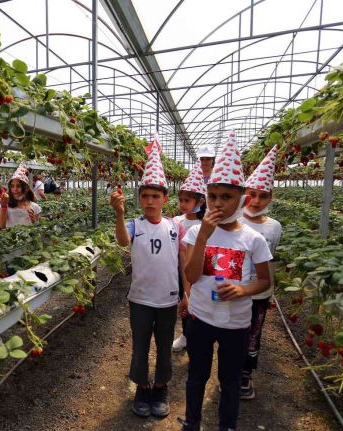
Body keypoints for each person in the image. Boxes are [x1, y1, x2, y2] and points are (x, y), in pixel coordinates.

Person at [179, 132, 272, 431]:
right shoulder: (196, 233)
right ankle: (192, 422)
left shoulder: (253, 239)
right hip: (202, 317)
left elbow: (265, 282)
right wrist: (204, 236)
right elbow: (192, 277)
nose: (218, 202)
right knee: (196, 375)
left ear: (241, 198)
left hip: (236, 323)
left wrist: (243, 289)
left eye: (227, 196)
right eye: (213, 196)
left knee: (230, 381)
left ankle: (227, 426)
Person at [110, 139, 185, 419]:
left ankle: (161, 386)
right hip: (140, 298)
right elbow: (121, 241)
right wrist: (119, 213)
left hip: (167, 299)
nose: (150, 201)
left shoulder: (175, 226)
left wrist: (185, 294)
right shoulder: (134, 224)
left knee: (164, 344)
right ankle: (142, 386)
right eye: (145, 196)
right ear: (139, 199)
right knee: (140, 344)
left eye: (156, 196)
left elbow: (181, 261)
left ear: (166, 199)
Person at [239, 146, 282, 400]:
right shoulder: (233, 222)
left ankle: (245, 373)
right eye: (251, 194)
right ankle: (230, 370)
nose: (256, 201)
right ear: (244, 194)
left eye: (262, 196)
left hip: (260, 293)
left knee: (254, 333)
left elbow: (271, 261)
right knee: (233, 331)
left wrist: (271, 292)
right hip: (235, 289)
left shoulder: (275, 227)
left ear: (270, 198)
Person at [171, 164, 208, 352]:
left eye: (187, 200)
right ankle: (186, 334)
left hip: (200, 272)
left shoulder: (206, 224)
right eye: (181, 200)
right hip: (180, 271)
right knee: (184, 301)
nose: (182, 204)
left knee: (198, 302)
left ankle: (199, 335)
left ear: (200, 202)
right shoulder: (177, 221)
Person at [0, 163, 41, 229]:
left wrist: (33, 221)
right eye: (12, 186)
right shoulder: (6, 204)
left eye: (18, 186)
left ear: (26, 188)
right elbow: (2, 226)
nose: (15, 189)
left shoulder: (35, 207)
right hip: (10, 238)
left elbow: (37, 228)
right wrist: (3, 206)